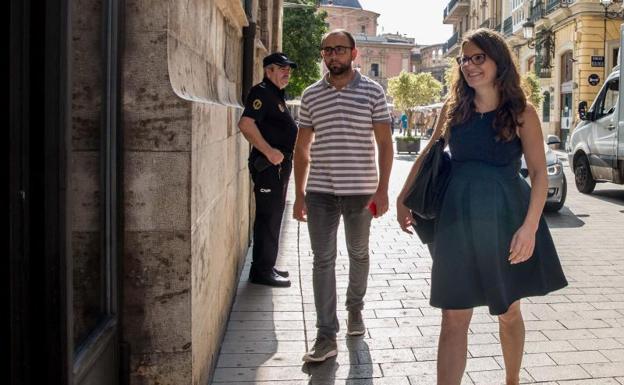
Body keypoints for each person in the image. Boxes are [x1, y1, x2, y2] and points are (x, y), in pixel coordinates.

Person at [396, 28, 567, 385]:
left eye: (478, 58)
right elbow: (430, 152)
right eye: (465, 59)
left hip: (506, 216)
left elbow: (538, 174)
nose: (470, 66)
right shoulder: (453, 107)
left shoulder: (522, 111)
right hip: (456, 217)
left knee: (508, 311)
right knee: (453, 315)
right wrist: (402, 196)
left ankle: (512, 381)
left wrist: (530, 227)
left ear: (497, 60)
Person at [293, 29, 393, 362]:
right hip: (320, 191)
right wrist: (299, 194)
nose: (332, 55)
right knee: (322, 260)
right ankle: (325, 336)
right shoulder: (310, 96)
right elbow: (302, 149)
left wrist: (383, 189)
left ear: (353, 53)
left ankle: (355, 309)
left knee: (358, 253)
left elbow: (384, 144)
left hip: (361, 191)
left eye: (339, 49)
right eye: (326, 50)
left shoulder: (373, 92)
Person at [238, 52, 299, 287]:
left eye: (288, 69)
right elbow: (245, 124)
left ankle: (266, 266)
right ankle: (262, 272)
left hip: (279, 168)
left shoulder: (276, 96)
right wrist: (269, 151)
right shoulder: (261, 92)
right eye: (281, 68)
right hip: (269, 168)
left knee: (273, 217)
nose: (287, 72)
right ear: (268, 70)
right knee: (268, 217)